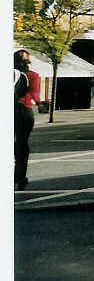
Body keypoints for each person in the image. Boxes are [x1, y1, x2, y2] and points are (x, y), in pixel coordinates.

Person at [14, 49, 35, 190]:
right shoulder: (26, 76)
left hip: (16, 111)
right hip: (24, 111)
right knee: (21, 145)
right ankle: (20, 177)